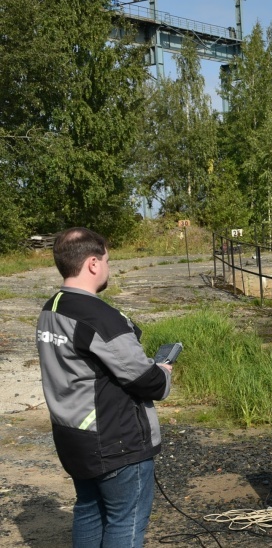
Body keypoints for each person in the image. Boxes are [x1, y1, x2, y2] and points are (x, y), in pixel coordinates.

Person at [36, 227, 172, 548]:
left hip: (74, 439)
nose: (109, 268)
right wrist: (163, 371)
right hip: (116, 443)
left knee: (88, 511)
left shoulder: (51, 308)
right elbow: (144, 379)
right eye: (108, 261)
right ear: (94, 264)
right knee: (125, 522)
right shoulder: (100, 317)